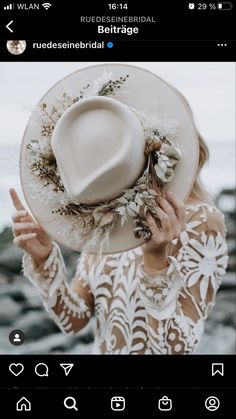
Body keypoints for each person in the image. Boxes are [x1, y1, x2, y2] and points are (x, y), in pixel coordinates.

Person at [10, 85, 228, 354]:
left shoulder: (202, 221)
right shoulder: (104, 219)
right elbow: (75, 322)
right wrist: (44, 261)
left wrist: (156, 262)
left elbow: (176, 349)